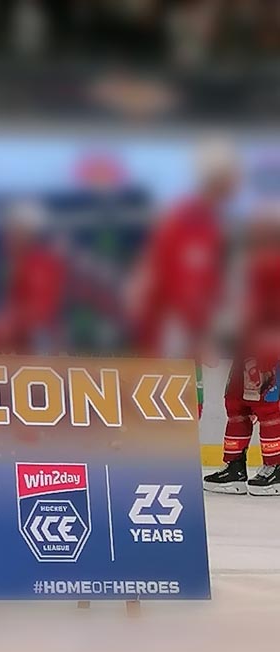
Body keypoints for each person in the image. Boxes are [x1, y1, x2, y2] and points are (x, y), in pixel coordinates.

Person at [128, 137, 241, 416]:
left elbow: (208, 283)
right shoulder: (189, 221)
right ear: (218, 179)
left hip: (181, 332)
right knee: (173, 408)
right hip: (169, 334)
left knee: (185, 406)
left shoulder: (208, 222)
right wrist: (199, 337)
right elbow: (181, 288)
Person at [205, 205, 280, 496]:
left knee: (268, 406)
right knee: (236, 403)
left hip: (267, 347)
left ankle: (275, 467)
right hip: (246, 345)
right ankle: (234, 466)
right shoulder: (244, 265)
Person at [0, 200, 66, 354]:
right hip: (22, 348)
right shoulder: (18, 264)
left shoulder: (39, 264)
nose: (5, 237)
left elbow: (40, 312)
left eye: (11, 230)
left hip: (38, 350)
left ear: (25, 233)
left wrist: (7, 324)